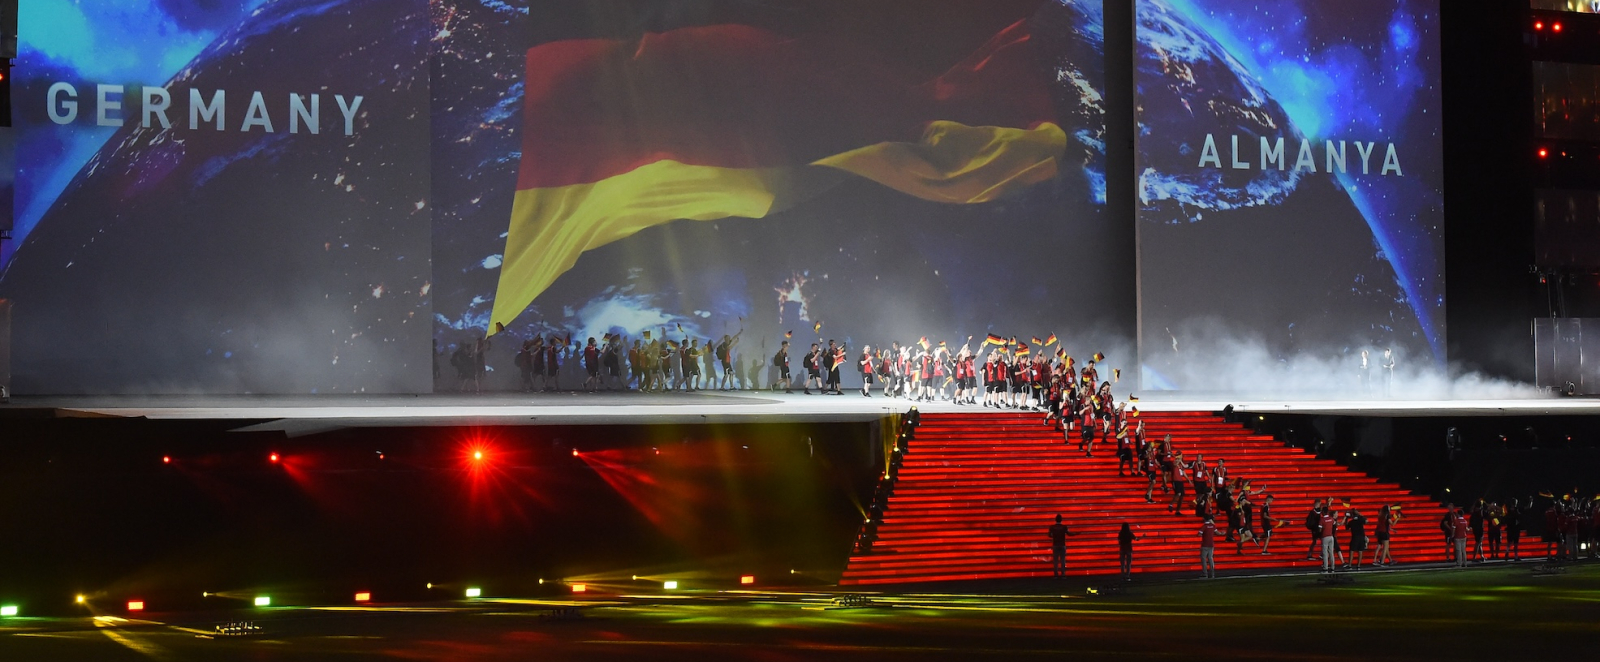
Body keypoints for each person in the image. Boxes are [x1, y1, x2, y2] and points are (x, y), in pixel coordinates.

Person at [1047, 514, 1079, 578]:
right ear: (1061, 520)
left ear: (1055, 519)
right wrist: (1076, 534)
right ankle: (1063, 574)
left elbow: (1049, 535)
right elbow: (1069, 534)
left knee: (1055, 560)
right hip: (1062, 545)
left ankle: (1056, 575)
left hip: (1055, 545)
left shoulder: (1052, 527)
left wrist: (1054, 536)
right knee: (1062, 560)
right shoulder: (1064, 527)